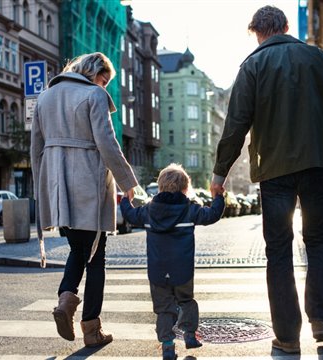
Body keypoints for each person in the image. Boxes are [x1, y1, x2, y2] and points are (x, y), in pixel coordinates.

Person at [210, 6, 323, 354]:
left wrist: (220, 173)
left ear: (258, 32)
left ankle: (288, 336)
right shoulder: (316, 57)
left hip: (273, 169)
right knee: (318, 241)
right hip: (316, 163)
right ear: (286, 27)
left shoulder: (251, 66)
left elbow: (236, 125)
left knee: (279, 250)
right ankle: (321, 320)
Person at [30, 52, 138, 348]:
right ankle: (90, 327)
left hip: (57, 185)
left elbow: (35, 148)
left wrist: (43, 189)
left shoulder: (45, 96)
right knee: (95, 256)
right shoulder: (94, 95)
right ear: (93, 73)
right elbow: (106, 142)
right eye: (104, 80)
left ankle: (66, 301)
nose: (104, 87)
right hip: (87, 182)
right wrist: (128, 182)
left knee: (79, 248)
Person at [120, 163, 225, 360]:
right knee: (186, 301)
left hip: (158, 271)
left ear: (160, 187)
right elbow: (212, 215)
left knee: (164, 309)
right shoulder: (190, 209)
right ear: (186, 188)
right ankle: (190, 335)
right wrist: (218, 197)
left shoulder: (149, 210)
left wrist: (127, 199)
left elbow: (130, 215)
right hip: (183, 270)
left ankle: (168, 346)